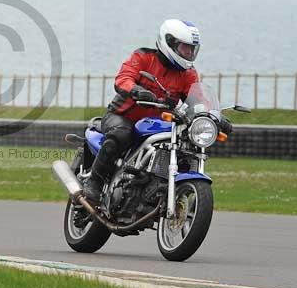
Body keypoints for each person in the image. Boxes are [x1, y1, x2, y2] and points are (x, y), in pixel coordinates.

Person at [83, 19, 228, 205]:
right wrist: (136, 90)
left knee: (184, 145)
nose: (190, 53)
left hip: (156, 124)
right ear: (170, 43)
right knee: (122, 134)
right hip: (122, 116)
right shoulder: (143, 57)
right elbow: (123, 78)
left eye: (192, 49)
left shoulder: (188, 74)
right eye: (185, 48)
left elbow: (198, 99)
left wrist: (213, 114)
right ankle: (94, 182)